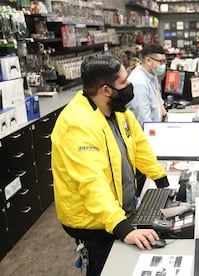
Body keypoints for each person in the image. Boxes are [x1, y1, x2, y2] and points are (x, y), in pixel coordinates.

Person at [51, 54, 170, 276]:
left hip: (115, 214)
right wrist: (122, 228)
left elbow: (139, 145)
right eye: (124, 83)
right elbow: (91, 183)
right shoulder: (77, 125)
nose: (130, 86)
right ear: (106, 90)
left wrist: (161, 180)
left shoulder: (117, 109)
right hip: (93, 223)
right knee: (105, 268)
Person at [127, 43, 168, 126]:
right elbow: (144, 121)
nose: (163, 65)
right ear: (148, 60)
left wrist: (164, 113)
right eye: (161, 62)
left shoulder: (152, 74)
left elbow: (157, 98)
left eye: (164, 61)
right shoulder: (139, 83)